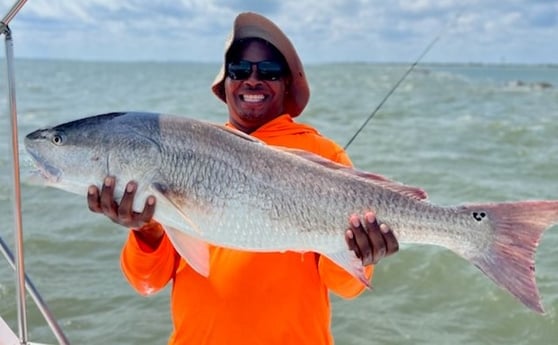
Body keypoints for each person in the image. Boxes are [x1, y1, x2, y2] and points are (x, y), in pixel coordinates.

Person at [87, 12, 399, 345]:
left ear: (286, 83)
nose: (252, 79)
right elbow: (146, 282)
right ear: (225, 82)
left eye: (268, 71)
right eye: (239, 69)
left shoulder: (325, 155)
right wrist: (146, 230)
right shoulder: (184, 151)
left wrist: (362, 255)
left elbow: (346, 286)